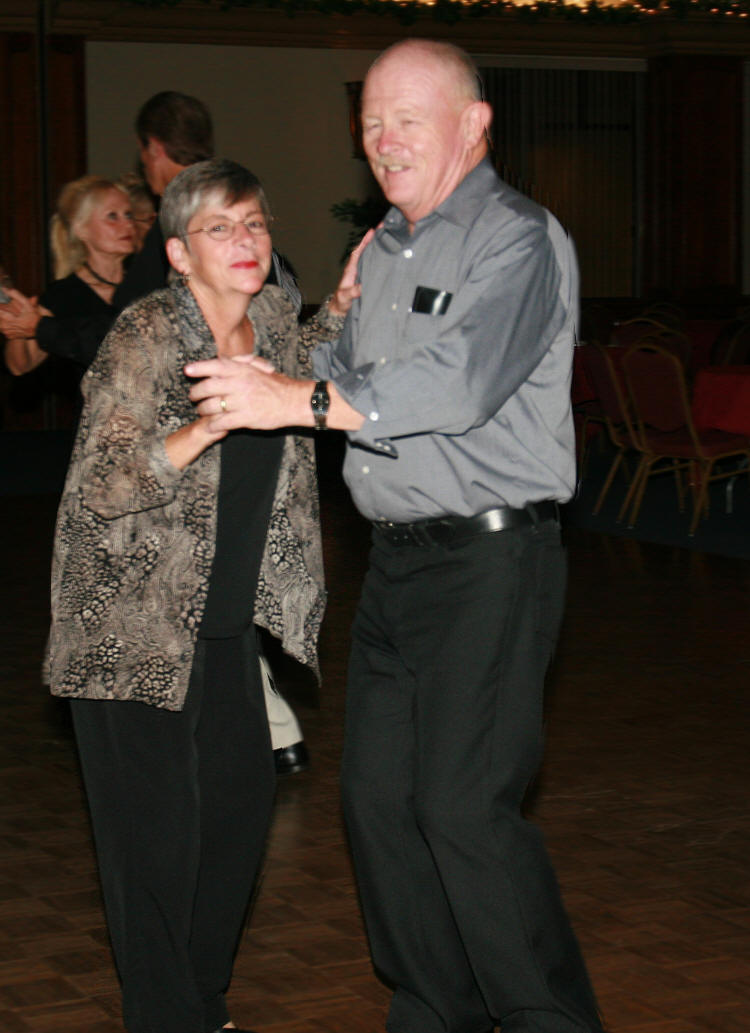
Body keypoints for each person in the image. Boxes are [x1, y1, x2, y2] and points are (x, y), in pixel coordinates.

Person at [185, 39, 605, 1033]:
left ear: (473, 124)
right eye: (370, 120)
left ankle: (549, 1019)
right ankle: (434, 1010)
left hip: (491, 560)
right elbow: (335, 366)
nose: (382, 139)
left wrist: (300, 390)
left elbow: (454, 385)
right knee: (378, 808)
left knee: (463, 808)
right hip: (399, 568)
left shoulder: (517, 238)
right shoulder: (387, 246)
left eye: (407, 118)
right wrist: (327, 318)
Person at [46, 157, 364, 1033]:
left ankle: (198, 999)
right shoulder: (146, 334)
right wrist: (207, 425)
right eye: (221, 228)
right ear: (180, 254)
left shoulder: (266, 317)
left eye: (255, 223)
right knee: (155, 844)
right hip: (128, 626)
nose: (247, 241)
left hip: (224, 628)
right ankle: (173, 1016)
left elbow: (303, 359)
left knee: (235, 818)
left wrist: (341, 300)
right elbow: (100, 485)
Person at [0, 90, 309, 774]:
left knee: (212, 601)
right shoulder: (90, 297)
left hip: (194, 472)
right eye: (111, 215)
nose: (126, 222)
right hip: (129, 473)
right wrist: (33, 328)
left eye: (254, 225)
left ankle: (265, 734)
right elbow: (33, 370)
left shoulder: (167, 280)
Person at [3, 175, 135, 381]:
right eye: (112, 216)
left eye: (128, 215)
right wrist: (19, 323)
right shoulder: (64, 295)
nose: (127, 225)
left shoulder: (148, 281)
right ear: (81, 229)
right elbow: (20, 366)